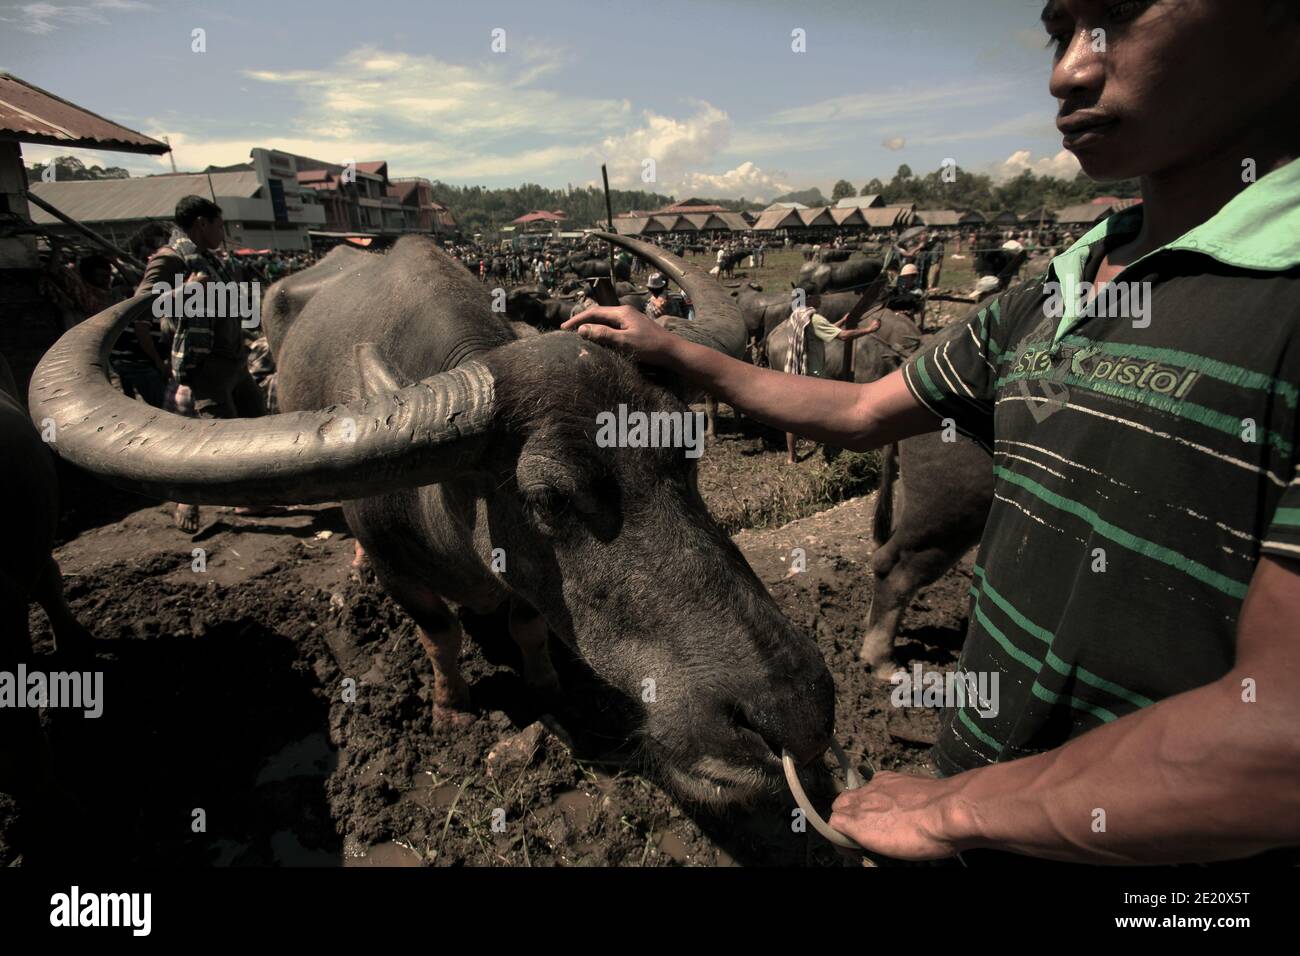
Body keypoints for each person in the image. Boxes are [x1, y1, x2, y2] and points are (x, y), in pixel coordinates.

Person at [565, 0, 1300, 865]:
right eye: (1057, 31)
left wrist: (958, 809)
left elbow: (1279, 737)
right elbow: (863, 411)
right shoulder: (1043, 293)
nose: (1068, 69)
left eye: (1119, 16)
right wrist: (682, 355)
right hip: (980, 797)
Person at [137, 195, 265, 532]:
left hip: (234, 361)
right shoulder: (171, 260)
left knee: (257, 422)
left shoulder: (214, 260)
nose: (222, 233)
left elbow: (236, 305)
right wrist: (185, 292)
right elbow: (142, 307)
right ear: (200, 224)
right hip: (206, 366)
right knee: (218, 438)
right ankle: (189, 495)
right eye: (219, 225)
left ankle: (253, 492)